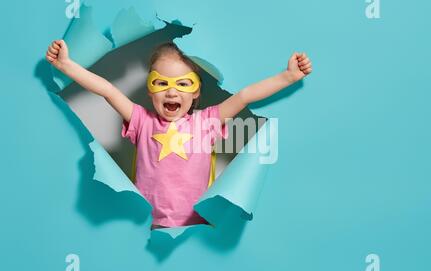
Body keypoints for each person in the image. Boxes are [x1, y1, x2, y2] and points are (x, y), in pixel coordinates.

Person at [46, 40, 312, 229]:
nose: (172, 92)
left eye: (183, 84)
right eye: (161, 83)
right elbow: (107, 90)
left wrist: (288, 77)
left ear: (196, 92)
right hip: (148, 228)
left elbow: (244, 96)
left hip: (197, 228)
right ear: (150, 90)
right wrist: (67, 66)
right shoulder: (141, 120)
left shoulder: (207, 121)